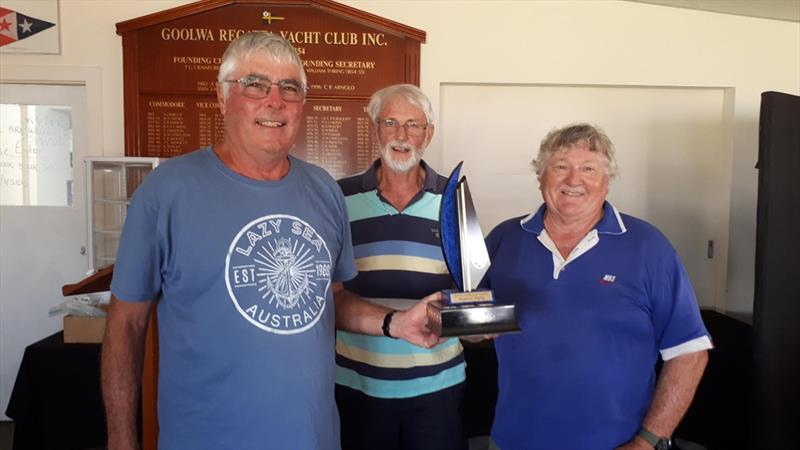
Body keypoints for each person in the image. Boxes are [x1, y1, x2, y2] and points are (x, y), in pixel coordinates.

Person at [101, 33, 439, 450]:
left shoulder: (323, 191)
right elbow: (125, 324)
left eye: (290, 88)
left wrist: (396, 323)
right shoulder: (165, 192)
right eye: (256, 84)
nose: (274, 101)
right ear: (223, 97)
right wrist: (120, 438)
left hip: (313, 438)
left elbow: (330, 300)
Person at [483, 123, 712, 450]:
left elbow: (689, 352)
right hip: (512, 440)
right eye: (560, 166)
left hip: (617, 444)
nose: (573, 180)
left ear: (607, 181)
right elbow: (474, 320)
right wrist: (454, 321)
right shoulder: (505, 238)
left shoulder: (648, 246)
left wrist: (647, 441)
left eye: (588, 169)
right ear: (541, 176)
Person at [334, 84, 467, 450]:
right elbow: (328, 295)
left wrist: (478, 321)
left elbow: (470, 287)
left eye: (413, 125)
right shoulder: (338, 198)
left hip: (436, 387)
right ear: (375, 128)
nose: (401, 135)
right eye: (390, 122)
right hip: (358, 384)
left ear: (429, 133)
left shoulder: (453, 199)